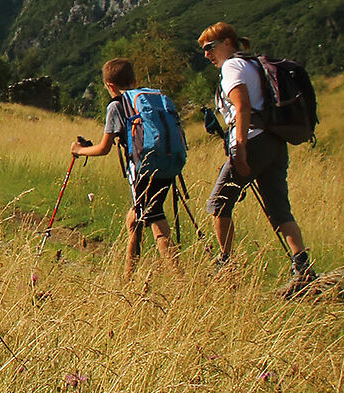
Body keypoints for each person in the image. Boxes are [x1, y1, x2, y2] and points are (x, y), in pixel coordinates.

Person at [199, 21, 316, 294]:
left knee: (218, 204)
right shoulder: (252, 64)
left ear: (228, 42)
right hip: (275, 141)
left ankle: (226, 266)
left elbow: (242, 108)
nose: (207, 55)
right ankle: (303, 267)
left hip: (253, 141)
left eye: (209, 48)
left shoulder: (231, 67)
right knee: (278, 207)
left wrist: (239, 149)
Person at [69, 58, 183, 279]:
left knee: (155, 220)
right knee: (135, 219)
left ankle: (180, 279)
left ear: (109, 85)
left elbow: (104, 148)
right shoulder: (150, 99)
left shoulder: (116, 106)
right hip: (166, 164)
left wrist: (79, 151)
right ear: (134, 80)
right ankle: (128, 277)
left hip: (142, 169)